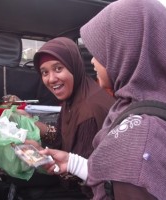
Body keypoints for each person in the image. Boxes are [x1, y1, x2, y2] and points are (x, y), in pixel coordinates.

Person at [41, 0, 166, 199]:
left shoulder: (135, 146)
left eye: (99, 51)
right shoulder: (146, 106)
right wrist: (75, 164)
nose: (92, 61)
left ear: (125, 51)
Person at [16, 37, 115, 199]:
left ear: (73, 66)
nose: (51, 79)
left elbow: (84, 174)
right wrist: (37, 131)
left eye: (58, 68)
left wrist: (42, 157)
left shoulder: (88, 111)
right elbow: (64, 140)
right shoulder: (74, 96)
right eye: (45, 72)